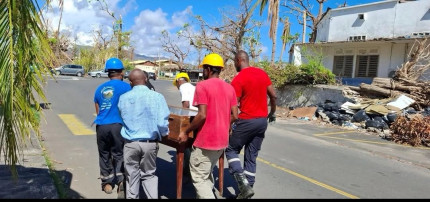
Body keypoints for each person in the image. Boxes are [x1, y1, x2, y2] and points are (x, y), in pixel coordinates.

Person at [178, 53, 238, 199]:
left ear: (209, 69)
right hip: (222, 142)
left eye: (204, 68)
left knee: (199, 178)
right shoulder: (229, 88)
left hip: (206, 142)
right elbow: (235, 115)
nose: (202, 72)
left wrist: (186, 131)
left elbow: (202, 115)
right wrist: (225, 125)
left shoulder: (202, 86)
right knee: (206, 175)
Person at [225, 50, 277, 199]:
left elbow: (233, 105)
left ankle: (242, 185)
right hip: (262, 121)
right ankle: (247, 190)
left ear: (239, 60)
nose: (234, 64)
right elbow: (273, 95)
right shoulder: (262, 74)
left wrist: (229, 123)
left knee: (231, 149)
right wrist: (272, 113)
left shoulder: (239, 79)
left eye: (235, 61)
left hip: (246, 120)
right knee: (251, 156)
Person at [118, 69, 170, 199]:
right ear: (146, 79)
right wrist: (164, 134)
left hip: (130, 143)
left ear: (130, 82)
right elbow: (162, 123)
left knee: (132, 175)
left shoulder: (123, 98)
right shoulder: (157, 97)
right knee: (149, 175)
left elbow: (122, 118)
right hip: (149, 143)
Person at [93, 57, 131, 198]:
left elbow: (98, 110)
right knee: (119, 154)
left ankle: (107, 183)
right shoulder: (127, 87)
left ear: (108, 72)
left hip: (102, 126)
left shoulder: (99, 89)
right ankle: (121, 181)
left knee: (104, 154)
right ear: (121, 72)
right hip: (118, 126)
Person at [173, 72, 197, 183]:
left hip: (191, 116)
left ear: (178, 81)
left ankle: (187, 169)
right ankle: (191, 168)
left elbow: (186, 104)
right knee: (192, 144)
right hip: (197, 116)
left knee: (185, 144)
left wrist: (183, 122)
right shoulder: (192, 86)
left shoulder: (183, 87)